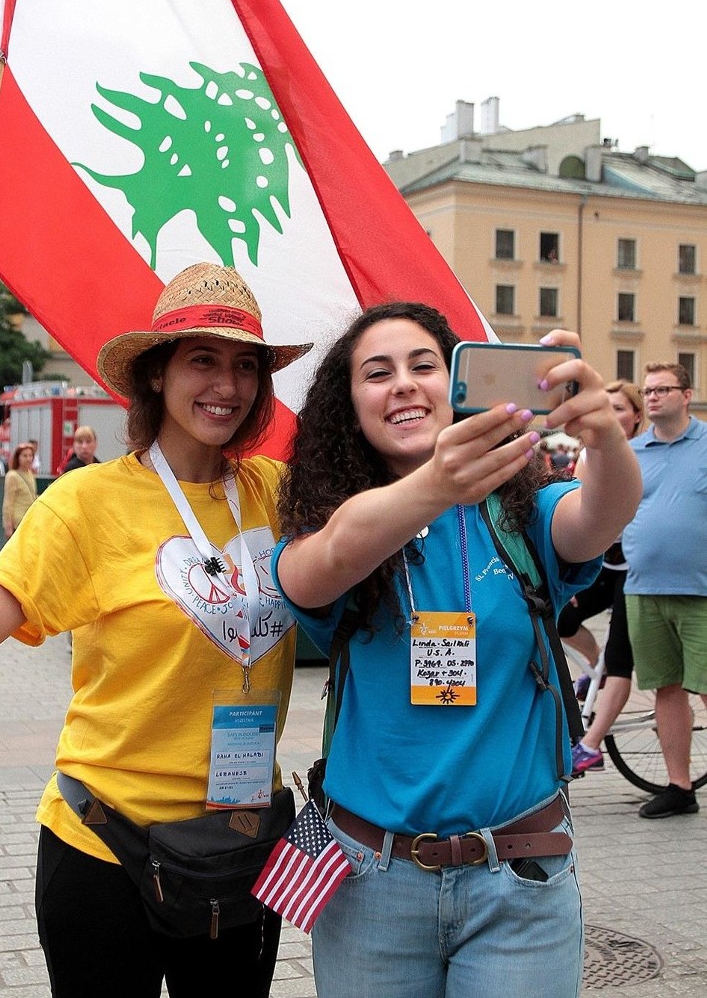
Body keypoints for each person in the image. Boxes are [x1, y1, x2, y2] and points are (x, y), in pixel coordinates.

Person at [0, 262, 312, 998]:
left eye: (246, 365)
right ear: (156, 373)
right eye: (203, 359)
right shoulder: (85, 502)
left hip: (240, 847)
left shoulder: (279, 493)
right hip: (104, 847)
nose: (228, 384)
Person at [272, 303, 641, 998]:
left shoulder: (520, 514)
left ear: (459, 382)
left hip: (520, 878)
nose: (404, 384)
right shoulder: (332, 524)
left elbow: (603, 512)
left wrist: (605, 438)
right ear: (349, 407)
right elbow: (319, 563)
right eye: (377, 373)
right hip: (370, 882)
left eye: (424, 365)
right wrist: (437, 483)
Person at [622, 362, 707, 819]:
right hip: (644, 588)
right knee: (666, 690)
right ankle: (680, 786)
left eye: (662, 389)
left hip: (702, 591)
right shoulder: (633, 451)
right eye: (647, 390)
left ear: (686, 394)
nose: (652, 397)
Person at [564, 381, 644, 774]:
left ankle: (591, 744)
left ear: (636, 417)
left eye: (620, 409)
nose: (612, 415)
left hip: (639, 571)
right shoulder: (585, 454)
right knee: (562, 618)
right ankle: (592, 667)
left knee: (620, 660)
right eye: (606, 407)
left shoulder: (642, 455)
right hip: (604, 564)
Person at [1, 443, 37, 539]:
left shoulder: (30, 474)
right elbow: (8, 502)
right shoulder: (12, 476)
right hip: (18, 523)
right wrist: (8, 525)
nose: (28, 459)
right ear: (18, 457)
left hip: (30, 521)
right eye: (24, 456)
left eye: (30, 456)